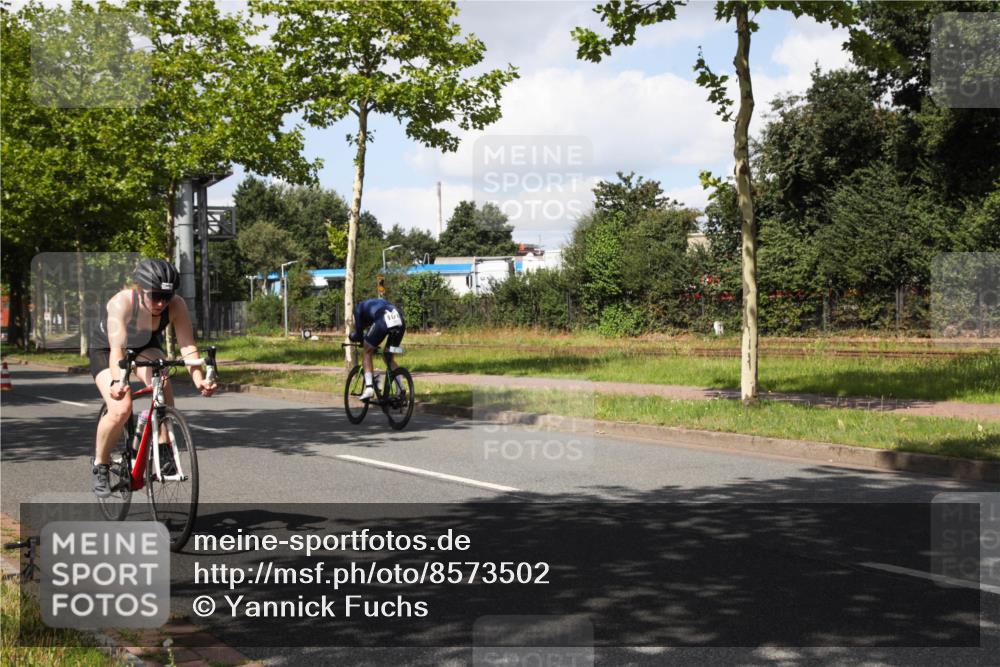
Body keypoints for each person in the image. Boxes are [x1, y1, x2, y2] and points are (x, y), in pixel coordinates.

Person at [89, 259, 217, 497]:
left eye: (166, 296)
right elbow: (118, 350)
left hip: (145, 345)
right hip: (108, 349)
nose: (161, 303)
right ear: (139, 289)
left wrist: (198, 379)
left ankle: (164, 443)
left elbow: (187, 345)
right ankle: (101, 465)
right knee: (120, 408)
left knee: (162, 380)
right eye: (155, 295)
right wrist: (119, 382)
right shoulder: (122, 302)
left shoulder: (175, 305)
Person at [348, 297, 405, 400]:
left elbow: (359, 335)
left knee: (367, 351)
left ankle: (369, 388)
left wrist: (352, 336)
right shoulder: (377, 301)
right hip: (399, 319)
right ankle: (400, 387)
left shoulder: (357, 310)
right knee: (388, 356)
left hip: (383, 319)